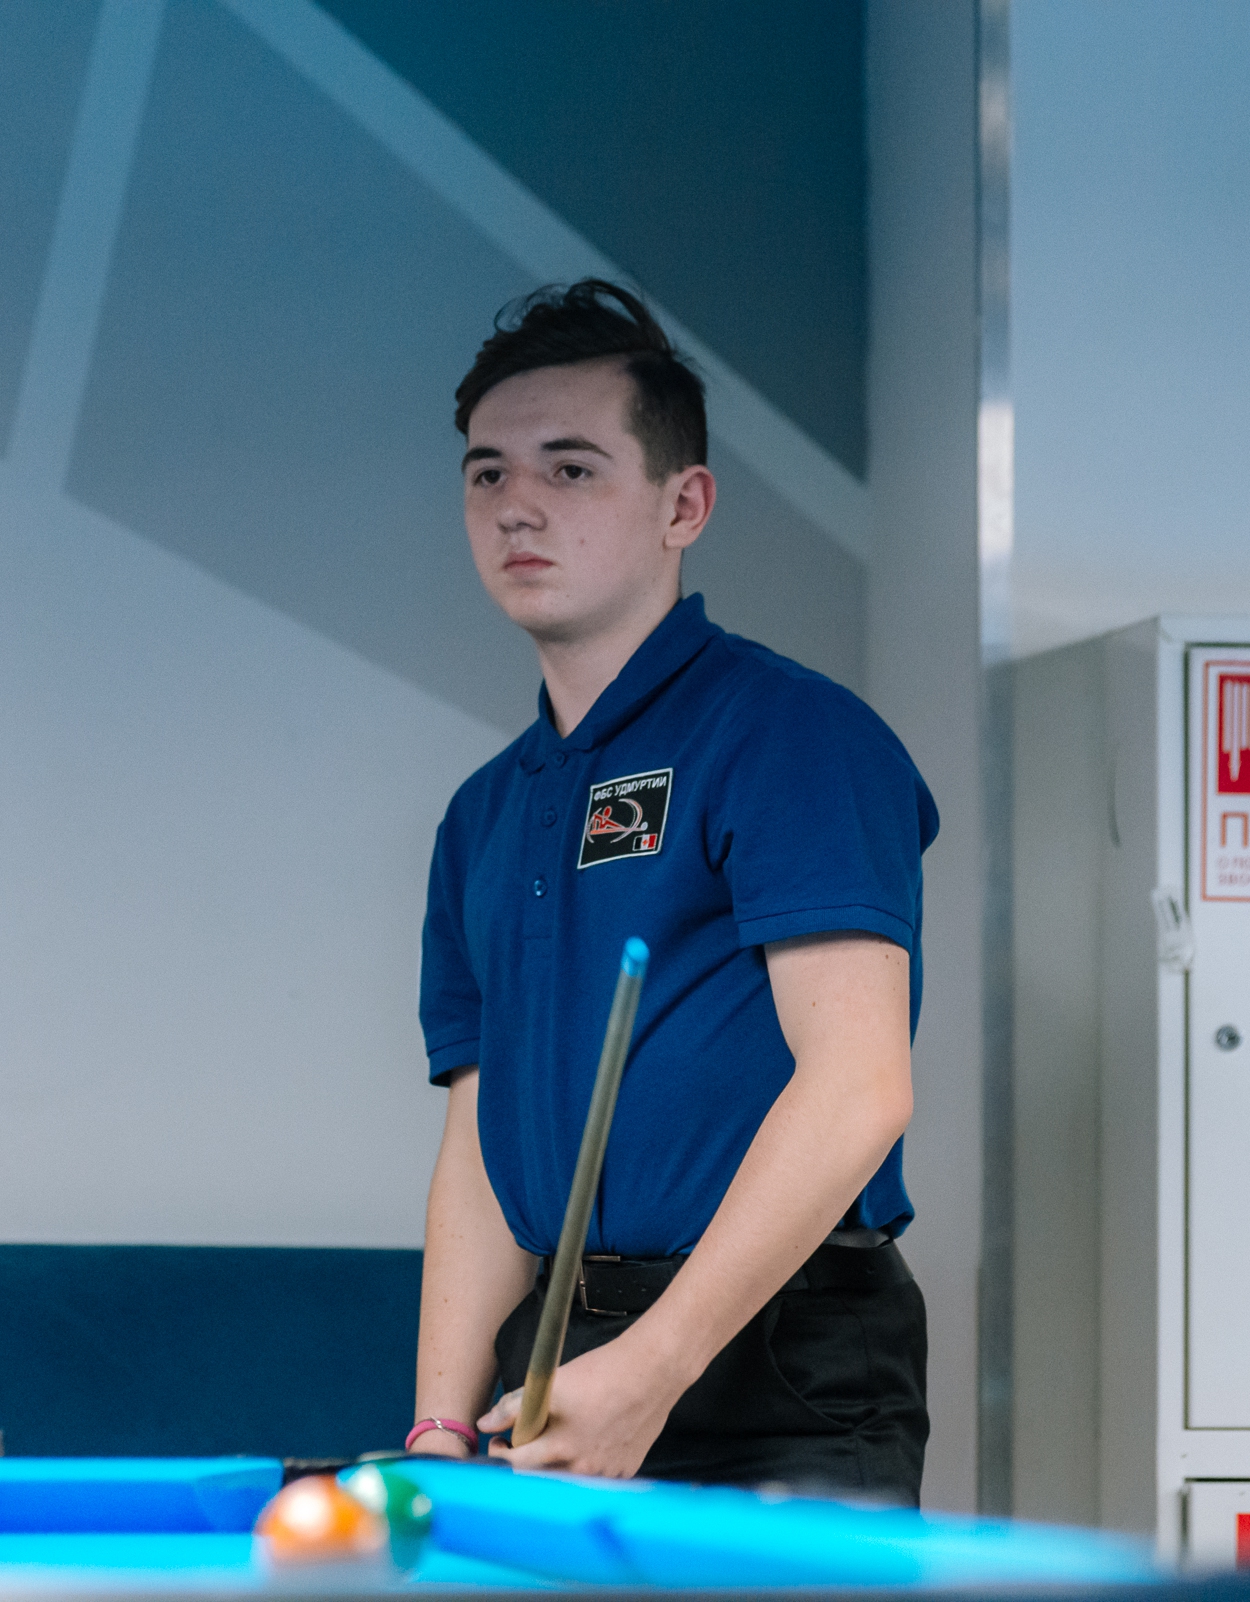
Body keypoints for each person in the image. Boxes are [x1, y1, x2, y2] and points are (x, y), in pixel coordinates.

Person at [407, 281, 938, 1503]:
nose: (517, 505)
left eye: (571, 468)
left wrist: (655, 1365)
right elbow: (479, 1145)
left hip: (780, 1365)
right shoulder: (482, 814)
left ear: (682, 504)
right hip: (558, 1362)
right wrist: (438, 1424)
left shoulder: (794, 735)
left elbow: (860, 1084)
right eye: (488, 474)